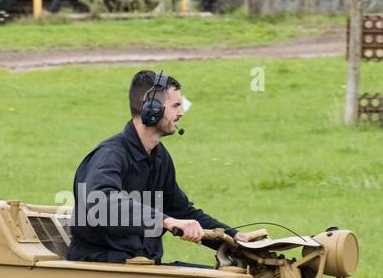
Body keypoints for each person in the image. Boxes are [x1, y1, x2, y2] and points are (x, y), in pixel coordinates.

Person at [67, 70, 262, 265]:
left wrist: (235, 237)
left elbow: (181, 211)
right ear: (151, 109)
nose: (181, 113)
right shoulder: (111, 155)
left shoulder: (159, 157)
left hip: (142, 267)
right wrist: (165, 221)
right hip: (102, 270)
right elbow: (100, 202)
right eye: (176, 105)